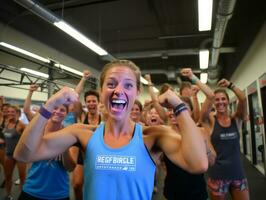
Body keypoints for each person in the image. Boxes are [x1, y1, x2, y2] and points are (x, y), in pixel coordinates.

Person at [14, 59, 208, 200]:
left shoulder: (152, 136)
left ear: (137, 92)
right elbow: (23, 154)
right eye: (111, 84)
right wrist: (49, 105)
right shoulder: (82, 133)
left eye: (128, 85)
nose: (118, 91)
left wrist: (180, 107)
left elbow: (198, 164)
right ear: (101, 91)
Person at [201, 78, 249, 200]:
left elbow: (243, 99)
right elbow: (203, 115)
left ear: (228, 101)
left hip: (238, 173)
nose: (220, 102)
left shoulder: (236, 120)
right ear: (213, 103)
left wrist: (231, 85)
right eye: (216, 100)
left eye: (223, 99)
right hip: (218, 176)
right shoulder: (211, 122)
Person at [18, 104, 76, 200]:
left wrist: (64, 147)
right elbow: (23, 155)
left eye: (62, 110)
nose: (57, 111)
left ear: (66, 114)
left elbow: (70, 168)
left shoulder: (71, 135)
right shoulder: (37, 131)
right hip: (32, 189)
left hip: (58, 192)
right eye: (55, 108)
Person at [2, 105, 26, 200]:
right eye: (8, 111)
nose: (10, 113)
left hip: (20, 156)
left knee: (22, 179)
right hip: (8, 155)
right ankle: (8, 196)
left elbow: (28, 138)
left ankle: (22, 197)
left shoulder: (21, 125)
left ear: (17, 113)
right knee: (8, 177)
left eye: (12, 112)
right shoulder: (6, 123)